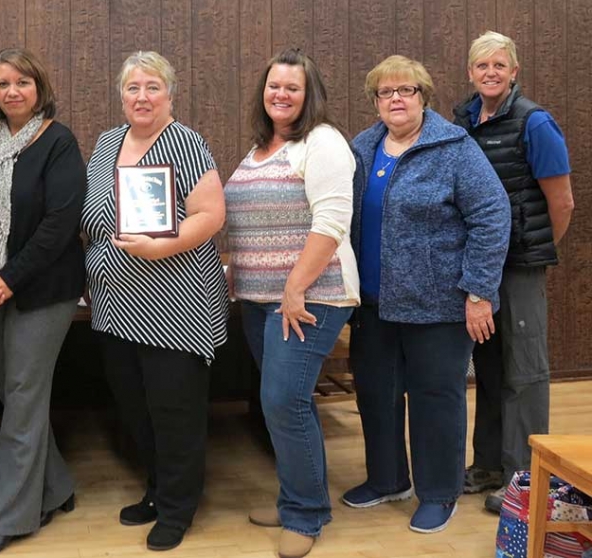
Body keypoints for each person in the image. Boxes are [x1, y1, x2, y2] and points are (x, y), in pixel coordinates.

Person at [341, 55, 510, 534]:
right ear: (375, 101)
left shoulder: (455, 148)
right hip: (374, 306)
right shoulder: (362, 148)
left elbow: (492, 216)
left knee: (437, 398)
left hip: (438, 307)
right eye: (386, 92)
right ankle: (388, 479)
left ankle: (438, 491)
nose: (396, 99)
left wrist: (479, 291)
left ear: (423, 97)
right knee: (376, 395)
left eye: (406, 90)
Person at [80, 50, 229, 552]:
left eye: (152, 87)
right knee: (136, 408)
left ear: (170, 94)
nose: (141, 97)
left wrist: (162, 246)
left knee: (175, 413)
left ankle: (177, 508)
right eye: (132, 88)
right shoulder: (106, 144)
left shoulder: (186, 143)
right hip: (115, 305)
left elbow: (210, 215)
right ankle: (157, 489)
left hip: (176, 306)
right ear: (120, 95)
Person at [225, 48, 359, 558]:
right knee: (276, 403)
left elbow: (330, 222)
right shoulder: (260, 148)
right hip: (261, 301)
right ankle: (294, 501)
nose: (281, 94)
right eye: (274, 85)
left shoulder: (322, 142)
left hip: (309, 299)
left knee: (285, 401)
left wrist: (294, 288)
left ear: (309, 95)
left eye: (292, 87)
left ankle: (305, 514)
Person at [0, 48, 86, 557]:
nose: (12, 91)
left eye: (23, 82)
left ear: (40, 86)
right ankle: (56, 488)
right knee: (18, 398)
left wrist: (7, 279)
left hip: (43, 291)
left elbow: (60, 224)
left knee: (22, 393)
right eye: (3, 83)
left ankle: (8, 519)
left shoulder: (58, 142)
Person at [453, 31, 575, 513]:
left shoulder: (535, 122)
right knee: (488, 367)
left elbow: (560, 201)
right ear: (470, 72)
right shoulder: (463, 121)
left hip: (520, 268)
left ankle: (524, 478)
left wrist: (535, 249)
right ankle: (488, 466)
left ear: (514, 71)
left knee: (525, 372)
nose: (490, 73)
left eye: (499, 65)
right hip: (478, 269)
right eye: (482, 66)